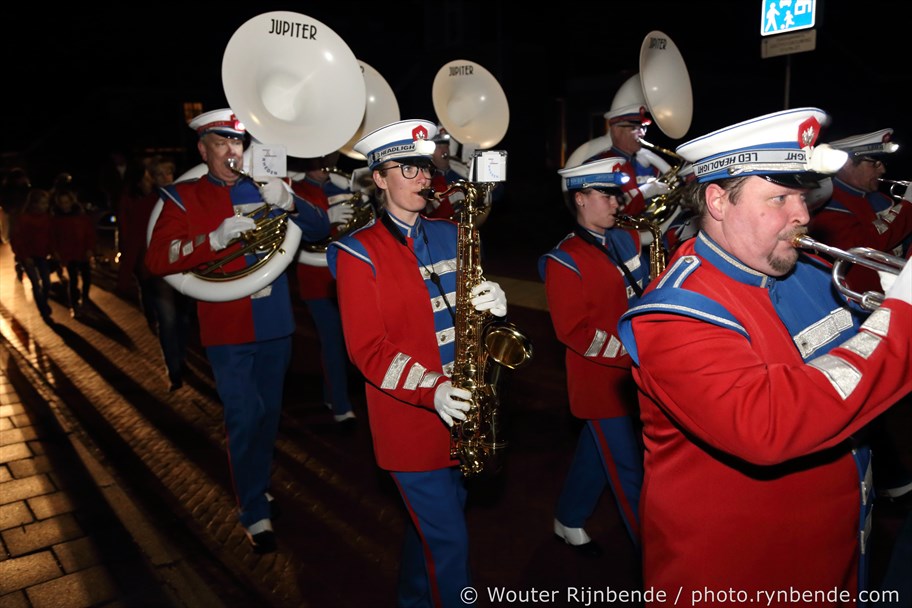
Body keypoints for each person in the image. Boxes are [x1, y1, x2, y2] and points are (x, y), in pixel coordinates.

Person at [616, 107, 912, 604]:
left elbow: (852, 371)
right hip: (739, 578)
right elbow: (769, 426)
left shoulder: (808, 271)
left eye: (802, 196)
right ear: (718, 201)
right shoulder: (673, 314)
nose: (802, 215)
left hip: (833, 558)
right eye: (779, 198)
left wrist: (885, 307)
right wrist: (900, 319)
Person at [327, 119, 510, 607]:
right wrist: (431, 388)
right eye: (406, 168)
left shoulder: (454, 233)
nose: (422, 177)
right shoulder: (356, 253)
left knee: (433, 528)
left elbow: (467, 319)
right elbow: (368, 349)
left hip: (464, 410)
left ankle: (412, 599)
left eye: (425, 167)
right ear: (378, 179)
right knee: (449, 542)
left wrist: (492, 307)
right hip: (409, 422)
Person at [145, 109, 334, 553]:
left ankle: (257, 486)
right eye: (222, 142)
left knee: (268, 415)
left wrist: (290, 201)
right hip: (226, 325)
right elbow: (157, 259)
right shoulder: (182, 196)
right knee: (244, 416)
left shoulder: (267, 185)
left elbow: (321, 229)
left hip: (274, 321)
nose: (232, 150)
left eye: (238, 142)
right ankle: (252, 509)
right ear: (203, 149)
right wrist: (211, 240)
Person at [539, 157, 647, 558]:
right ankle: (655, 563)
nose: (617, 203)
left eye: (616, 195)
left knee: (596, 453)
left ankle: (569, 517)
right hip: (601, 383)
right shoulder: (562, 260)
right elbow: (574, 332)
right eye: (607, 195)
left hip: (634, 373)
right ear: (581, 199)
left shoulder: (626, 239)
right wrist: (633, 353)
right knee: (630, 470)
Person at [290, 154, 357, 425]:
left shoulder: (341, 187)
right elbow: (298, 232)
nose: (323, 165)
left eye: (326, 158)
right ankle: (341, 406)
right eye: (316, 160)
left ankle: (332, 394)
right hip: (315, 277)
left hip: (345, 274)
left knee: (344, 340)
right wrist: (326, 219)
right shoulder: (296, 191)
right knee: (332, 341)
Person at [808, 128, 912, 303]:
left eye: (883, 163)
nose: (882, 170)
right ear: (846, 163)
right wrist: (908, 206)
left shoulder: (882, 199)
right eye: (874, 163)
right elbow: (866, 247)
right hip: (859, 302)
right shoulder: (825, 203)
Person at [119, 155, 192, 390]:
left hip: (182, 268)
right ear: (151, 178)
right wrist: (126, 275)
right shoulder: (146, 204)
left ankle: (180, 357)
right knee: (168, 320)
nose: (165, 178)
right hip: (157, 271)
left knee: (183, 318)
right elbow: (134, 239)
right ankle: (174, 369)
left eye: (168, 173)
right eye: (159, 174)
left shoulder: (185, 197)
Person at [584, 74, 672, 217]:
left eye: (643, 128)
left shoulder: (649, 165)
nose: (642, 133)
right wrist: (645, 191)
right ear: (616, 130)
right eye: (634, 128)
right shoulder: (597, 165)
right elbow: (604, 209)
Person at [50, 187, 96, 318]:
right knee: (73, 279)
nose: (65, 205)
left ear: (71, 202)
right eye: (62, 203)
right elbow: (53, 237)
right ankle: (74, 305)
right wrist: (55, 252)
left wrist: (89, 249)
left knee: (86, 277)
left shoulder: (81, 216)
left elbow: (89, 233)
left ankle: (85, 298)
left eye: (67, 202)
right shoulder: (56, 219)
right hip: (68, 253)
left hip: (82, 251)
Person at [10, 188, 54, 321]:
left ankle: (43, 302)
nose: (45, 206)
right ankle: (43, 309)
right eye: (42, 203)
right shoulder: (24, 219)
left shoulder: (47, 218)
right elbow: (18, 239)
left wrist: (52, 251)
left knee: (46, 282)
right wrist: (24, 256)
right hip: (28, 256)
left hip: (42, 254)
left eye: (46, 203)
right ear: (34, 204)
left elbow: (50, 236)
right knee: (35, 283)